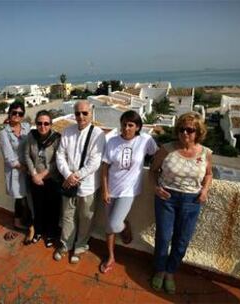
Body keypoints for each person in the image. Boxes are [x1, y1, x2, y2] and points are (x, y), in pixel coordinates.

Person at [150, 112, 213, 294]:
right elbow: (153, 171)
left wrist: (205, 190)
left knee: (182, 240)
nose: (185, 133)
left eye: (190, 130)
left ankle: (170, 272)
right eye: (181, 129)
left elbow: (209, 174)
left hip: (191, 201)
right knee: (163, 237)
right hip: (166, 198)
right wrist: (156, 188)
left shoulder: (205, 153)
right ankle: (160, 270)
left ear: (198, 132)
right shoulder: (166, 149)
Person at [100, 110, 158, 273]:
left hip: (129, 190)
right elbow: (104, 168)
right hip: (111, 189)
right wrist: (105, 190)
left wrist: (157, 172)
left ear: (137, 127)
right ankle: (111, 256)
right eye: (124, 124)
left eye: (130, 125)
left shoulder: (145, 140)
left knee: (114, 223)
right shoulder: (112, 141)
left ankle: (125, 227)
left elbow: (157, 155)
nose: (126, 128)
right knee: (109, 227)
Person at [54, 100, 105, 264]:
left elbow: (95, 162)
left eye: (85, 113)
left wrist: (75, 176)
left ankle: (80, 246)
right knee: (68, 216)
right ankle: (65, 245)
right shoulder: (67, 131)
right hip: (68, 182)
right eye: (78, 113)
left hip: (87, 185)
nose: (81, 116)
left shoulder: (98, 134)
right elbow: (60, 155)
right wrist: (68, 175)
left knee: (85, 217)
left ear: (91, 113)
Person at [24, 110, 62, 247]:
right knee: (38, 207)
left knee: (52, 209)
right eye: (39, 123)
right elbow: (27, 155)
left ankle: (51, 234)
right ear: (36, 124)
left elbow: (57, 161)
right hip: (35, 179)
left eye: (46, 123)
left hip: (51, 179)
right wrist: (34, 174)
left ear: (51, 124)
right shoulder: (31, 136)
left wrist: (42, 174)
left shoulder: (57, 138)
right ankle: (39, 231)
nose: (43, 126)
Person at [0, 101, 34, 242]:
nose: (17, 116)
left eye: (20, 113)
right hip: (16, 171)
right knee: (22, 198)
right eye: (14, 113)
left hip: (28, 168)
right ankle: (31, 227)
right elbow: (9, 158)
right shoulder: (3, 133)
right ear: (9, 113)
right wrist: (26, 169)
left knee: (23, 198)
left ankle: (17, 221)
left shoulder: (26, 127)